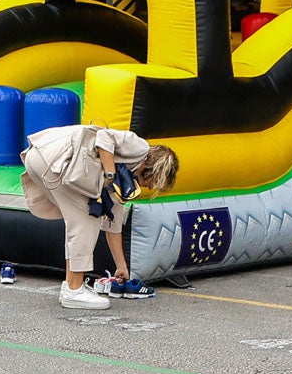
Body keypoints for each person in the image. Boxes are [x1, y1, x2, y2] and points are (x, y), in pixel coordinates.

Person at [20, 125, 179, 310]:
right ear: (157, 169)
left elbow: (113, 224)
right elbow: (104, 137)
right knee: (85, 219)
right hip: (53, 159)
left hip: (44, 159)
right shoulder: (140, 149)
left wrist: (121, 267)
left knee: (82, 218)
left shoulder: (125, 182)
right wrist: (109, 173)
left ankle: (71, 285)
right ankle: (74, 290)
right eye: (155, 182)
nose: (151, 188)